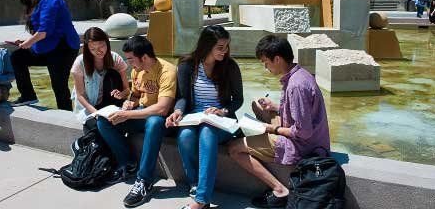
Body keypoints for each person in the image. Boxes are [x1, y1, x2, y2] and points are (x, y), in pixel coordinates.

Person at [228, 35, 330, 209]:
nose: (265, 67)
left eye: (265, 63)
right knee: (257, 107)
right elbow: (301, 113)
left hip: (302, 146)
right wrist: (274, 107)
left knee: (234, 149)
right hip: (310, 138)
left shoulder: (295, 86)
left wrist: (273, 129)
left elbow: (303, 132)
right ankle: (261, 139)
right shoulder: (300, 74)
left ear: (277, 59)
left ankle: (279, 189)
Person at [165, 25, 243, 209]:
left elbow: (238, 100)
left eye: (226, 47)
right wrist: (177, 111)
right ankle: (194, 184)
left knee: (207, 132)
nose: (225, 51)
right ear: (207, 46)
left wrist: (222, 110)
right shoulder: (187, 65)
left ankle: (201, 200)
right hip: (194, 116)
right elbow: (183, 97)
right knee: (185, 136)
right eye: (220, 47)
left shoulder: (230, 67)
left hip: (220, 120)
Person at [96, 35, 176, 208]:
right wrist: (130, 102)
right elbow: (137, 94)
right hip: (141, 114)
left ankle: (144, 181)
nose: (128, 62)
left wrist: (128, 115)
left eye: (131, 58)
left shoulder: (167, 71)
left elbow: (162, 109)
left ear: (145, 57)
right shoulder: (136, 70)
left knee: (154, 122)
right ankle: (127, 163)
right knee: (104, 121)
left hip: (163, 120)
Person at [10, 0, 80, 110]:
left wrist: (29, 42)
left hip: (63, 48)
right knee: (17, 57)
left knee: (59, 85)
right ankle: (28, 95)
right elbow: (42, 32)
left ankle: (66, 116)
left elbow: (44, 31)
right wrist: (26, 41)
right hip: (47, 47)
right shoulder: (41, 1)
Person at [71, 27, 130, 132]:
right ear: (87, 49)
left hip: (110, 104)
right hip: (89, 107)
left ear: (106, 42)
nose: (98, 51)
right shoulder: (80, 63)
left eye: (101, 46)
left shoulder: (115, 59)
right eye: (92, 49)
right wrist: (96, 113)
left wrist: (120, 94)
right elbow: (80, 95)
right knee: (98, 127)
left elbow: (127, 90)